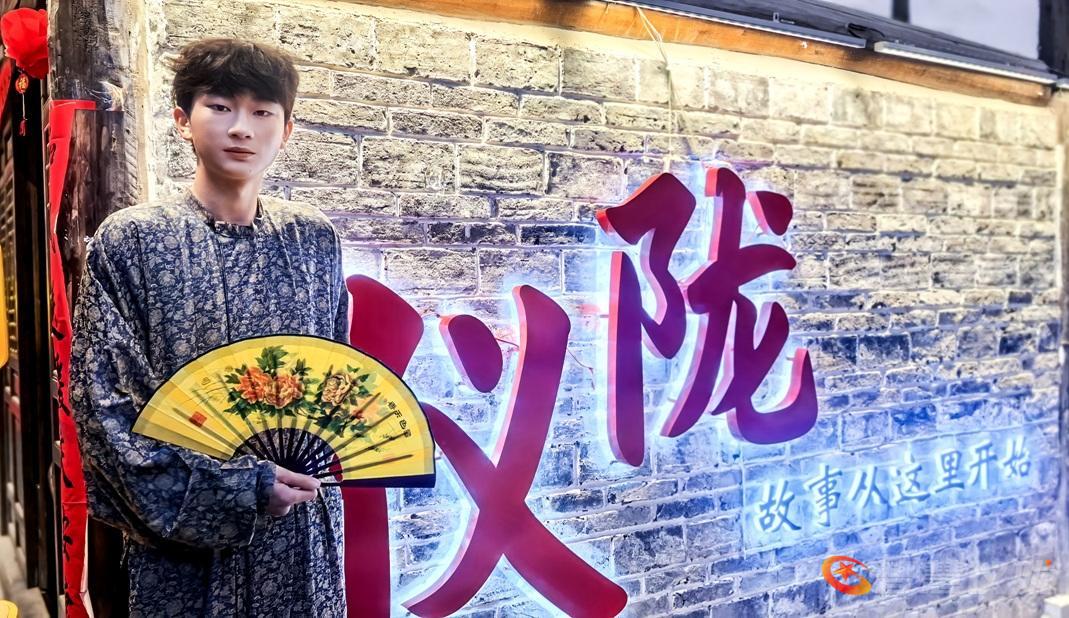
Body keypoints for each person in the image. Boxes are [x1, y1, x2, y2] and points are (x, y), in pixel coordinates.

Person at [69, 38, 347, 617]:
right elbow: (104, 410)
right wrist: (240, 490)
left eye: (262, 112)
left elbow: (336, 382)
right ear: (182, 120)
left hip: (302, 535)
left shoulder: (314, 240)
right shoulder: (132, 240)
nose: (241, 128)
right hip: (183, 553)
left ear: (287, 130)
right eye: (219, 107)